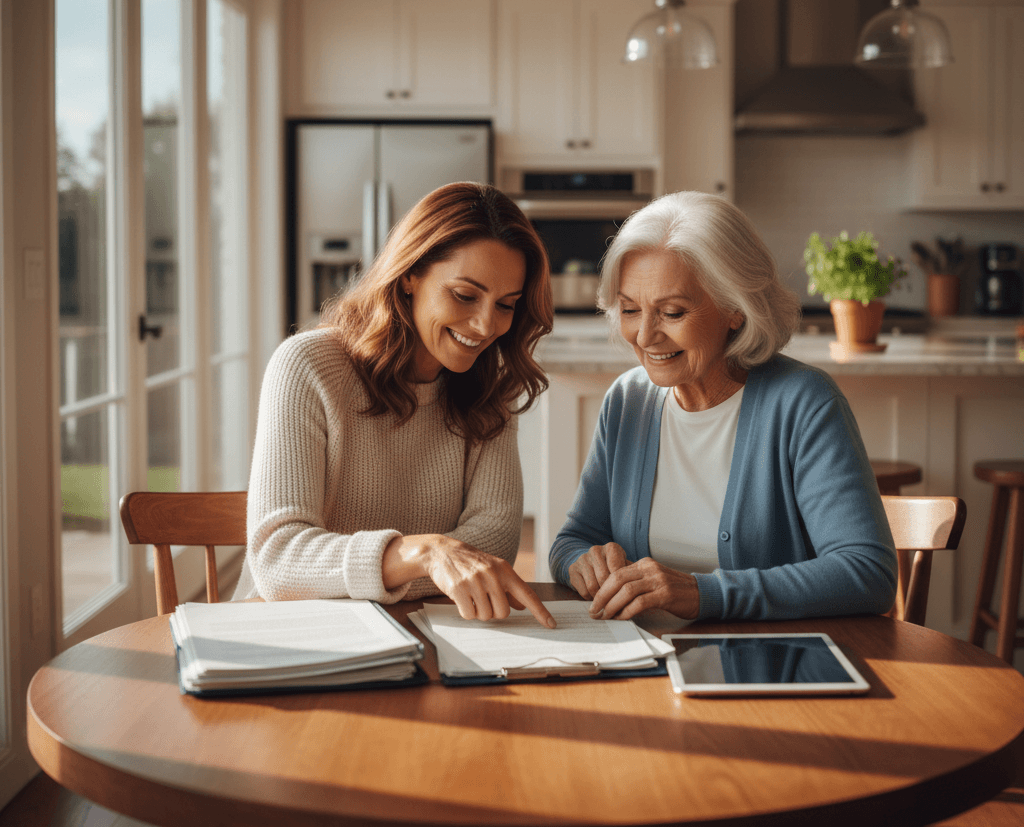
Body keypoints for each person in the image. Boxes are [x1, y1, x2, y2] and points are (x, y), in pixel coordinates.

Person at [549, 191, 897, 623]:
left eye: (672, 312)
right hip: (642, 664)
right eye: (630, 309)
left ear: (735, 308)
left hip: (766, 668)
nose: (643, 336)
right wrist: (581, 563)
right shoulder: (627, 401)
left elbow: (867, 573)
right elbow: (573, 540)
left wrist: (704, 593)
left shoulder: (803, 402)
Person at [235, 182, 557, 628]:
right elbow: (280, 560)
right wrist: (424, 554)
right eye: (465, 295)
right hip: (296, 633)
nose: (486, 325)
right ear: (410, 275)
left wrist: (400, 570)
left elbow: (491, 546)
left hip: (426, 630)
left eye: (506, 305)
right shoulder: (307, 366)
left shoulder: (490, 392)